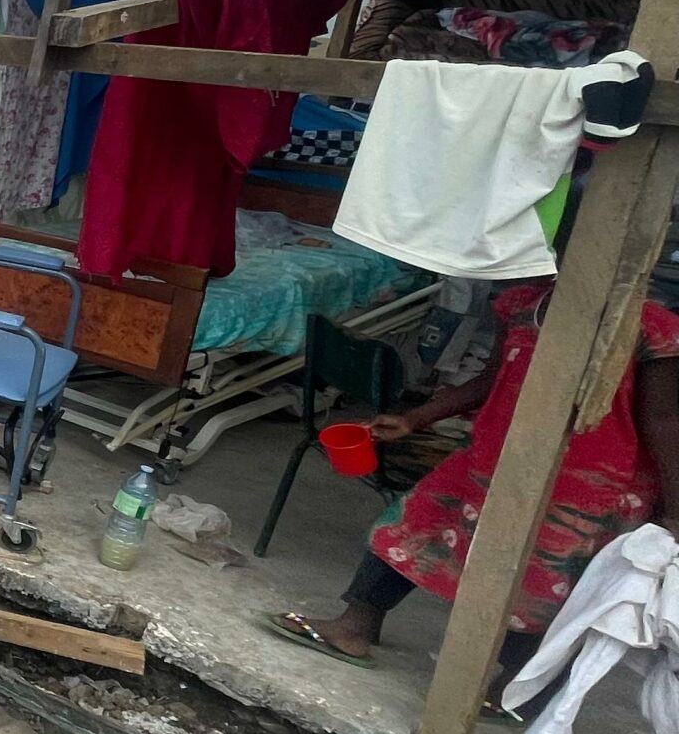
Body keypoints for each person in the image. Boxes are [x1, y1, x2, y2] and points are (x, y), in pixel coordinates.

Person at [266, 279, 679, 706]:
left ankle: (520, 683)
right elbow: (490, 380)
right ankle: (356, 623)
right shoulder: (523, 306)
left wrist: (673, 509)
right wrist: (415, 419)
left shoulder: (651, 330)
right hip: (494, 455)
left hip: (588, 485)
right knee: (415, 524)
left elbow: (664, 419)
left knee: (541, 582)